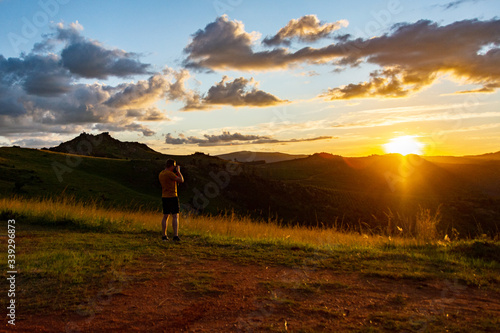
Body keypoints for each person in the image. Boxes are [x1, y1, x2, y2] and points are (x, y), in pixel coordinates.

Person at [159, 159, 184, 241]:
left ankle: (164, 235)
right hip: (172, 196)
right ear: (172, 166)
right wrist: (178, 171)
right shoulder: (170, 174)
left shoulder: (161, 174)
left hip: (164, 196)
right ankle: (175, 235)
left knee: (165, 216)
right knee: (175, 216)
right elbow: (181, 180)